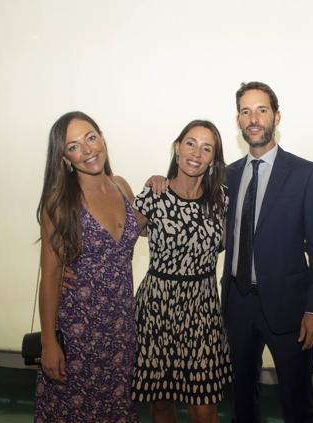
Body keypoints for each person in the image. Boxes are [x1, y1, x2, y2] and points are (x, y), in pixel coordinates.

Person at [221, 82, 313, 422]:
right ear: (238, 121)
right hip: (237, 305)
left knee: (297, 403)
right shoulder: (227, 176)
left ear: (276, 117)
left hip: (290, 311)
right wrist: (161, 180)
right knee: (241, 400)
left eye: (262, 110)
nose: (253, 118)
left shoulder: (305, 173)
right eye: (245, 111)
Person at [34, 111, 140, 422]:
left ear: (102, 137)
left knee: (116, 409)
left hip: (121, 329)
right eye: (74, 146)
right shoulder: (59, 202)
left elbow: (147, 224)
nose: (88, 149)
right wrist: (49, 342)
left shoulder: (122, 186)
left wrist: (161, 181)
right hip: (78, 330)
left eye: (91, 137)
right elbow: (50, 276)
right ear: (65, 158)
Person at [131, 120, 232, 423]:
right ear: (177, 148)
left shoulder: (222, 200)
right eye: (190, 143)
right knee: (161, 403)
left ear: (213, 159)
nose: (196, 153)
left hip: (202, 310)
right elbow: (114, 242)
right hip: (156, 308)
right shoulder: (153, 196)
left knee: (204, 406)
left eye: (206, 148)